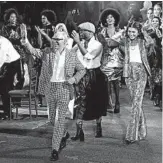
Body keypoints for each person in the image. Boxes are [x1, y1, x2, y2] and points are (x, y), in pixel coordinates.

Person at [20, 24, 86, 161]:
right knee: (51, 120)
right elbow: (33, 51)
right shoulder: (47, 52)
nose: (56, 41)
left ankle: (54, 150)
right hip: (50, 89)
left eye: (59, 40)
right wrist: (25, 41)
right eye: (54, 39)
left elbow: (82, 70)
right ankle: (64, 134)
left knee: (58, 120)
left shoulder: (71, 55)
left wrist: (74, 78)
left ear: (65, 41)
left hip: (64, 89)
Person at [113, 20, 152, 144]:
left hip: (141, 73)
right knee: (137, 104)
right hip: (129, 74)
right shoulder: (125, 42)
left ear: (138, 32)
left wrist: (144, 31)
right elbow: (112, 40)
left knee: (136, 103)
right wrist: (123, 31)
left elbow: (151, 42)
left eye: (134, 32)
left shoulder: (142, 42)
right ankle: (142, 130)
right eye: (129, 32)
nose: (131, 34)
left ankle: (131, 134)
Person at [71, 22, 108, 140]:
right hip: (81, 74)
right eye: (80, 31)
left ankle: (98, 126)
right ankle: (79, 131)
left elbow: (89, 56)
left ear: (91, 32)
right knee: (80, 102)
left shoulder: (98, 45)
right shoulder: (79, 44)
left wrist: (77, 42)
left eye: (83, 31)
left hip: (94, 75)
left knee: (97, 102)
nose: (80, 33)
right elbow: (69, 54)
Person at [97, 8, 124, 113]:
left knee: (116, 82)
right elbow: (100, 45)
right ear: (104, 19)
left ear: (115, 19)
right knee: (106, 81)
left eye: (111, 17)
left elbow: (123, 44)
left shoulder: (120, 31)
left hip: (117, 58)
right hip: (106, 59)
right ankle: (108, 102)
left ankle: (117, 102)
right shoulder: (101, 32)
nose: (109, 19)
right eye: (107, 17)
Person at [1, 8, 25, 92]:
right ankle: (9, 97)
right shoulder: (5, 28)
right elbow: (4, 41)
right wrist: (10, 37)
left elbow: (23, 40)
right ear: (8, 18)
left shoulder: (20, 27)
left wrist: (20, 36)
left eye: (15, 17)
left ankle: (17, 99)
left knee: (20, 75)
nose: (13, 19)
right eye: (11, 17)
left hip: (19, 54)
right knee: (8, 75)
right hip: (9, 55)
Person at [0, 36, 21, 120]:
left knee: (4, 87)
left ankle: (8, 113)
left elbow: (1, 58)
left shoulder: (3, 42)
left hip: (13, 64)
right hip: (6, 64)